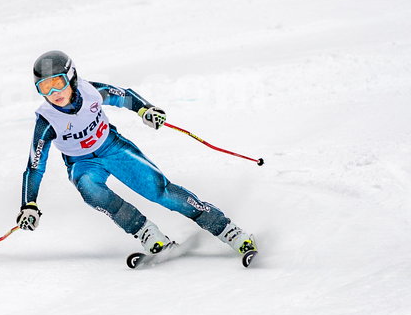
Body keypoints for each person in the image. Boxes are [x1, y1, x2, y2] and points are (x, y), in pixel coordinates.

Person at [16, 50, 256, 260]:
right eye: (45, 87)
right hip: (82, 163)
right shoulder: (47, 121)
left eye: (58, 82)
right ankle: (146, 232)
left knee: (159, 192)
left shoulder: (91, 92)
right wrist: (29, 204)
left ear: (72, 77)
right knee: (89, 189)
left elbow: (124, 95)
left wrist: (146, 109)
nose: (54, 92)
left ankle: (226, 229)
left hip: (113, 148)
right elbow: (35, 166)